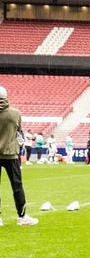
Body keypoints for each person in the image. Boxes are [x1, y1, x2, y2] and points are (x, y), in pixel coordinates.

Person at [0, 87, 38, 226]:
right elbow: (18, 131)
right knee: (17, 186)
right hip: (10, 154)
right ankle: (22, 216)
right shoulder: (15, 113)